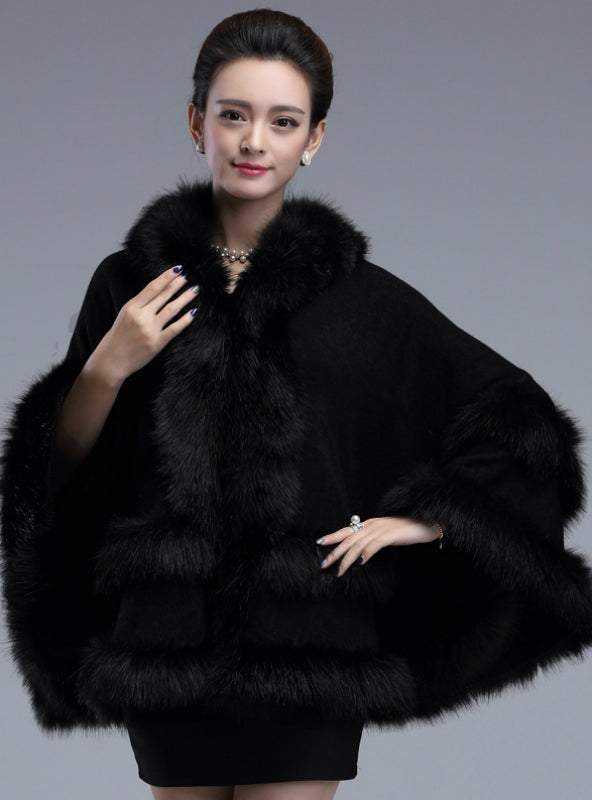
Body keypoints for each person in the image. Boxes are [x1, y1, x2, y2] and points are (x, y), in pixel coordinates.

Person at [1, 8, 592, 800]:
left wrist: (426, 518)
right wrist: (109, 364)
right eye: (233, 115)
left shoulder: (359, 300)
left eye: (283, 121)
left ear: (313, 138)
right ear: (196, 124)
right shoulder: (129, 284)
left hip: (311, 643)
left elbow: (518, 425)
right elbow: (61, 468)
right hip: (168, 638)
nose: (254, 141)